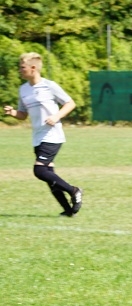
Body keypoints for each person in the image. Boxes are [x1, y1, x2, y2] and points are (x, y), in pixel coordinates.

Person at [3, 52, 83, 217]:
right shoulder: (23, 89)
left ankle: (74, 191)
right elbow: (23, 114)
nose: (20, 70)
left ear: (33, 68)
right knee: (49, 175)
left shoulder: (49, 86)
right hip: (37, 137)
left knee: (39, 170)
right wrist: (13, 113)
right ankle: (68, 210)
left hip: (52, 135)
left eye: (22, 67)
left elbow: (70, 103)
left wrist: (56, 116)